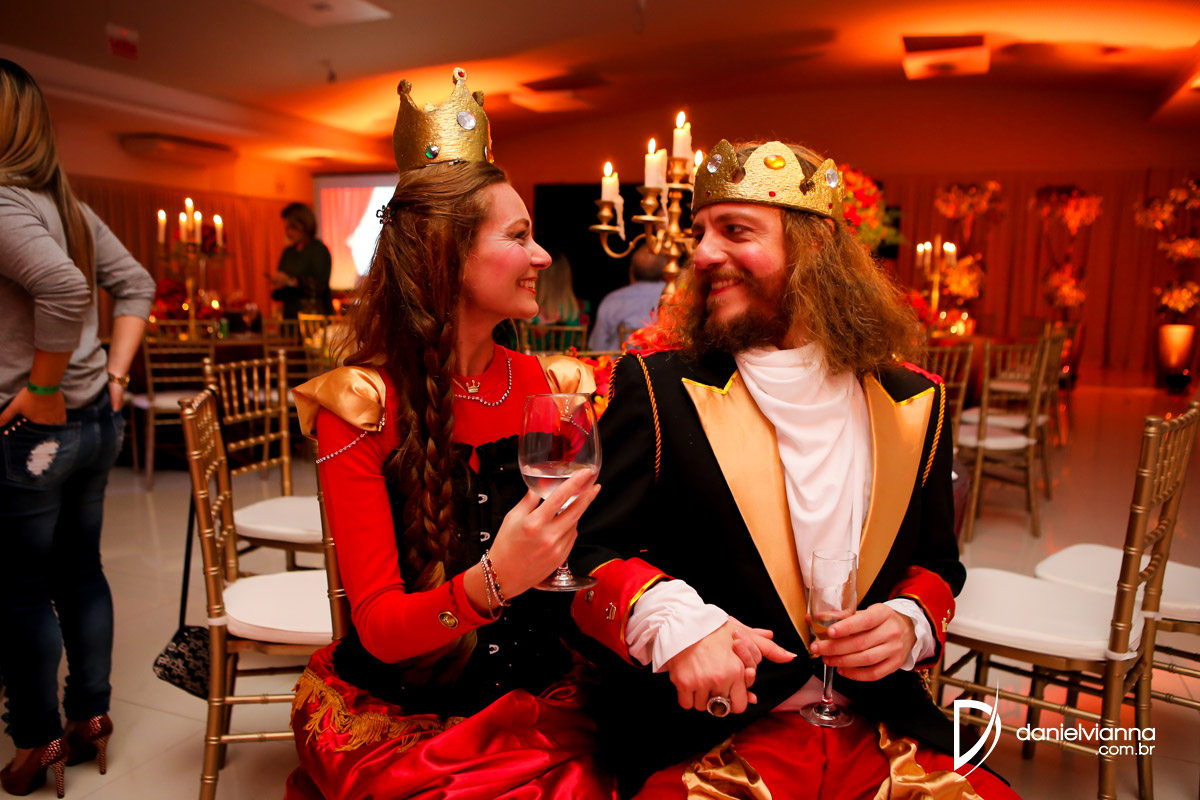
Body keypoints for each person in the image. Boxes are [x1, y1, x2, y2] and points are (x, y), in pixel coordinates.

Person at [568, 140, 1020, 799]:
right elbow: (582, 556)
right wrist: (670, 621)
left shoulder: (914, 401)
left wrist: (909, 621)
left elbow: (936, 563)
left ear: (814, 248)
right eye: (700, 233)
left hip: (883, 727)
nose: (702, 255)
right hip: (712, 734)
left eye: (735, 230)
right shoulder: (658, 390)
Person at [285, 68, 615, 800]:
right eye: (519, 236)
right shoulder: (361, 405)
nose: (542, 257)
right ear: (446, 254)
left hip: (547, 696)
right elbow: (378, 627)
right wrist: (495, 579)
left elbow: (595, 559)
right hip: (409, 716)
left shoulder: (554, 386)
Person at [0, 59, 155, 797]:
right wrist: (114, 377)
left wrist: (41, 387)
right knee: (81, 572)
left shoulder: (5, 203)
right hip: (96, 419)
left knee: (23, 590)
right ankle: (90, 716)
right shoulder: (63, 204)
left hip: (39, 429)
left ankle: (38, 742)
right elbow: (135, 285)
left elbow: (64, 290)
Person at [589, 246, 666, 351]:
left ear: (631, 271)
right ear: (666, 272)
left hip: (619, 360)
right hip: (661, 361)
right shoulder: (674, 298)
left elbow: (597, 348)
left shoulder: (612, 301)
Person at [272, 202, 333, 318]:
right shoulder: (288, 252)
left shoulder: (319, 250)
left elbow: (321, 286)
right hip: (290, 318)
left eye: (293, 228)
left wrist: (291, 281)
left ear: (305, 225)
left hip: (313, 318)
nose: (288, 233)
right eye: (286, 228)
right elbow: (279, 293)